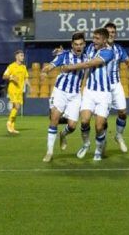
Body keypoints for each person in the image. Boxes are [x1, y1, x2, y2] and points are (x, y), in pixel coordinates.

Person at [62, 28, 115, 161]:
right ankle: (86, 144)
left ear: (104, 40)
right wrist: (62, 53)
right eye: (93, 38)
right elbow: (77, 50)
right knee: (84, 121)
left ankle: (98, 149)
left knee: (99, 126)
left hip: (104, 94)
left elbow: (88, 63)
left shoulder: (109, 52)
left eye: (97, 38)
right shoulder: (91, 47)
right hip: (89, 92)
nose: (94, 40)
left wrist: (70, 67)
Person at [40, 32, 86, 162]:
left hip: (75, 95)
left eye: (81, 44)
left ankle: (63, 134)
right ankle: (49, 152)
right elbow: (51, 65)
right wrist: (44, 71)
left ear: (84, 45)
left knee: (72, 126)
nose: (78, 47)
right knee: (54, 118)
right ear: (72, 45)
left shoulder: (87, 57)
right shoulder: (64, 55)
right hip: (60, 91)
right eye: (76, 44)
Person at [97, 22, 129, 153]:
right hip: (101, 87)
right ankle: (102, 142)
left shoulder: (119, 49)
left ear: (115, 34)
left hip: (115, 85)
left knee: (123, 112)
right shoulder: (96, 48)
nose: (111, 34)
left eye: (113, 32)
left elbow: (128, 61)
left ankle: (119, 135)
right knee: (102, 119)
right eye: (108, 32)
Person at [3, 49, 29, 135]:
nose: (23, 57)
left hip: (20, 90)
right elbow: (4, 76)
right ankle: (9, 123)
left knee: (16, 109)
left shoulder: (24, 67)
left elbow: (26, 78)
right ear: (16, 56)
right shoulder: (11, 66)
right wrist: (11, 77)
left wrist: (30, 85)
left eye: (23, 56)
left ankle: (12, 128)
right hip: (13, 89)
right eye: (21, 56)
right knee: (16, 106)